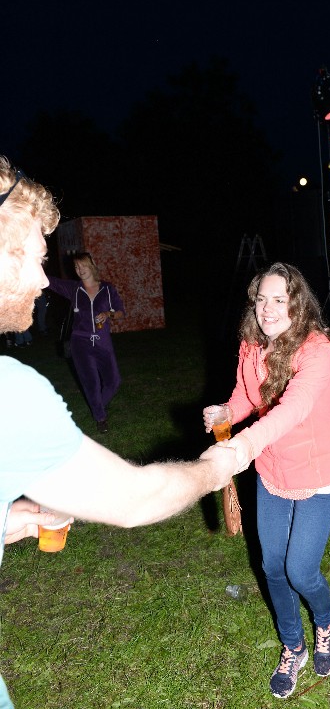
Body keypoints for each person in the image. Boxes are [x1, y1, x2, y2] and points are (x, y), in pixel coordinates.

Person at [0, 156, 240, 709]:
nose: (45, 279)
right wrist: (216, 467)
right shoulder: (10, 393)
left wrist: (5, 518)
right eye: (36, 260)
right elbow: (135, 500)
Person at [203, 262, 330, 699]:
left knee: (300, 571)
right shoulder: (252, 344)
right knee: (271, 566)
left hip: (321, 470)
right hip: (273, 470)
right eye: (261, 299)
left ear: (298, 303)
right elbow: (248, 395)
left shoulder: (317, 350)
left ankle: (326, 623)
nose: (268, 309)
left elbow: (292, 409)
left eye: (279, 299)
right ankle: (293, 645)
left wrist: (240, 448)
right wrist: (229, 414)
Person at [47, 253, 125, 432]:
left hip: (102, 341)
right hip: (80, 341)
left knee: (113, 380)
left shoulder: (107, 288)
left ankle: (98, 405)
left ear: (92, 265)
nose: (80, 270)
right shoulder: (74, 288)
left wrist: (108, 314)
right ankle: (100, 418)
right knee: (91, 382)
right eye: (76, 267)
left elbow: (120, 312)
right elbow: (50, 282)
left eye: (82, 265)